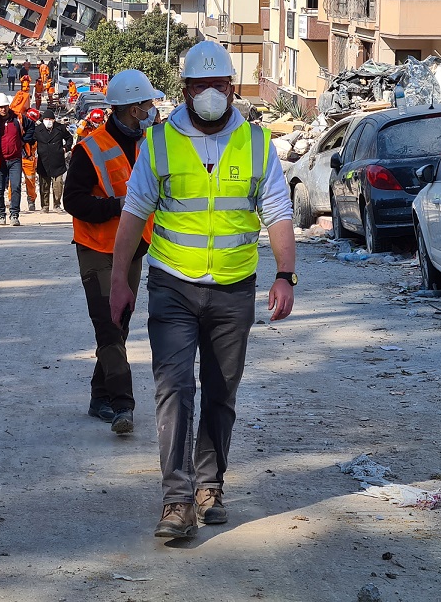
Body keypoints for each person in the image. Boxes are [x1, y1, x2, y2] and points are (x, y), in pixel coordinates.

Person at [108, 41, 296, 540]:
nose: (210, 93)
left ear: (232, 88)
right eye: (200, 85)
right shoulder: (159, 142)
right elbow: (134, 213)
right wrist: (119, 281)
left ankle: (209, 486)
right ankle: (176, 500)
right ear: (185, 89)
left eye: (219, 84)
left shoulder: (257, 143)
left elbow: (278, 212)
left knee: (220, 393)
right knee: (174, 390)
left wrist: (285, 274)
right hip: (172, 285)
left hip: (234, 289)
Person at [64, 68, 163, 436]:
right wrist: (116, 206)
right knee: (108, 324)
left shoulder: (150, 145)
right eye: (148, 103)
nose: (153, 109)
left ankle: (99, 396)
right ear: (134, 109)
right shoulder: (90, 149)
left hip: (133, 249)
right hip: (96, 248)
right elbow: (73, 201)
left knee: (118, 325)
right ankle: (123, 405)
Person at [0, 92, 27, 226]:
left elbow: (31, 128)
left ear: (8, 106)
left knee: (15, 187)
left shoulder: (17, 119)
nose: (3, 109)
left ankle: (14, 215)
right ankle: (1, 215)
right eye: (0, 107)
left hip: (15, 159)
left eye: (5, 106)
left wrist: (25, 141)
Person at [35, 108, 72, 213]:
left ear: (54, 120)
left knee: (58, 184)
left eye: (50, 119)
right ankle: (45, 206)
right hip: (43, 161)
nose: (48, 121)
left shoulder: (60, 128)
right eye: (46, 119)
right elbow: (30, 140)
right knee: (44, 185)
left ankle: (57, 205)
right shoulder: (38, 130)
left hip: (57, 161)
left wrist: (65, 148)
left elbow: (69, 138)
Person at [22, 107, 41, 213]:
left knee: (30, 181)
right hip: (17, 158)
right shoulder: (19, 126)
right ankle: (12, 200)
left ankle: (31, 201)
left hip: (29, 158)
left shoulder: (35, 131)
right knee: (13, 182)